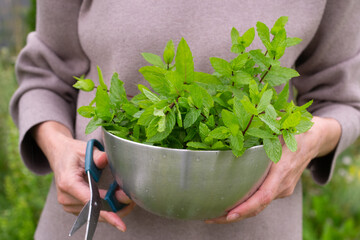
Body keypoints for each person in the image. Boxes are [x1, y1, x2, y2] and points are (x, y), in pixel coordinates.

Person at [10, 0, 360, 239]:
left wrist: (308, 143)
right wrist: (57, 147)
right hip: (103, 223)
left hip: (251, 229)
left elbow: (343, 99)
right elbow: (46, 73)